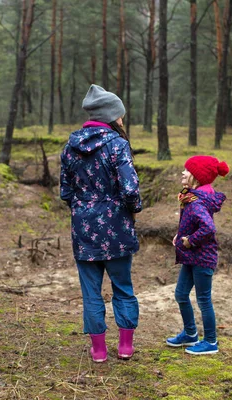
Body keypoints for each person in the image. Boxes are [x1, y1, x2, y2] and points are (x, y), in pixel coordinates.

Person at [60, 84, 143, 363]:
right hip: (117, 225)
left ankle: (98, 350)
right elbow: (130, 190)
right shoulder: (118, 145)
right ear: (110, 115)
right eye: (120, 115)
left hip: (83, 228)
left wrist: (85, 209)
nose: (122, 119)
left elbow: (65, 192)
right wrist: (133, 210)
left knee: (91, 291)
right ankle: (125, 347)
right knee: (122, 287)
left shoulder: (70, 147)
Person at [166, 156, 228, 355]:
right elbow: (193, 221)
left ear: (197, 177)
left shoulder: (197, 202)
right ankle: (191, 334)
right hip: (192, 258)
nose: (183, 173)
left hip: (202, 258)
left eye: (187, 170)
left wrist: (190, 240)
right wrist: (181, 234)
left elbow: (208, 228)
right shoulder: (192, 197)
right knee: (181, 294)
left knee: (203, 299)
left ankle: (210, 342)